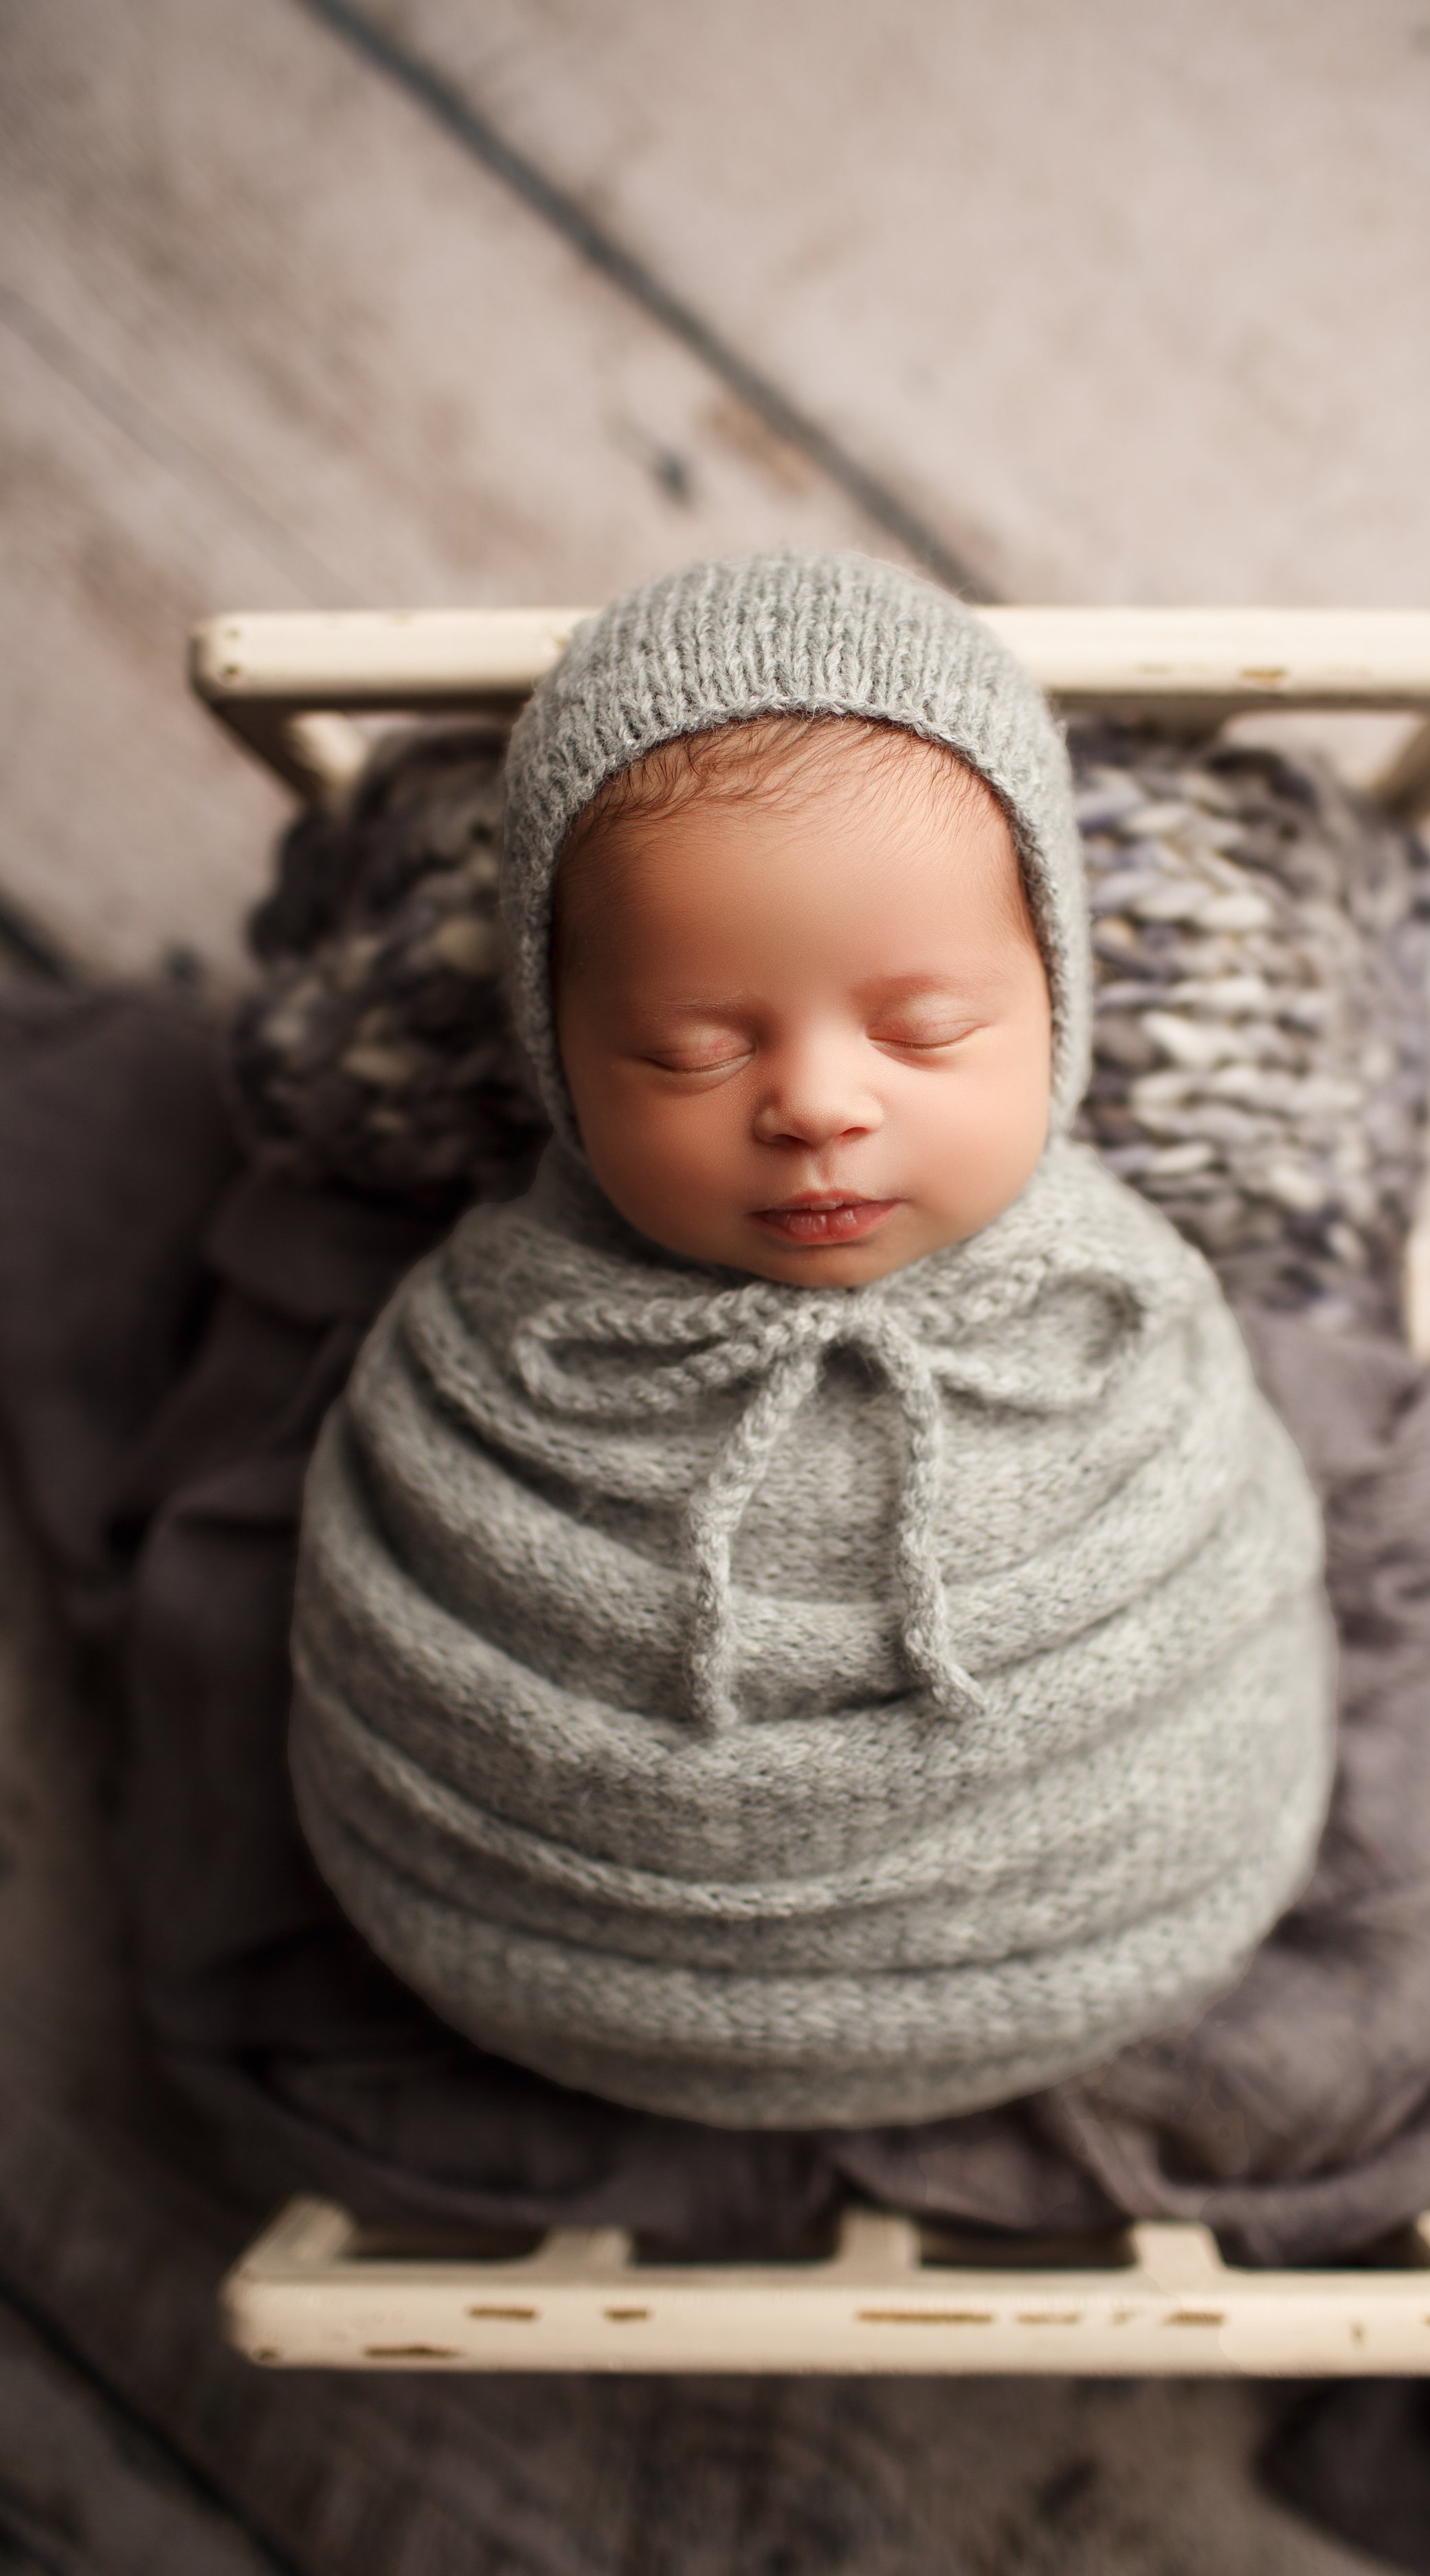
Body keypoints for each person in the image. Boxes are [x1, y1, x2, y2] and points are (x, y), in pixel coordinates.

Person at [287, 548, 1334, 2129]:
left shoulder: (1120, 1309)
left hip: (1116, 1925)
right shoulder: (507, 1353)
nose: (816, 1107)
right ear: (554, 1053)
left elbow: (1221, 1596)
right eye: (687, 1049)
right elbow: (397, 1651)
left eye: (922, 1030)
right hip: (541, 1973)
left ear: (1057, 999)